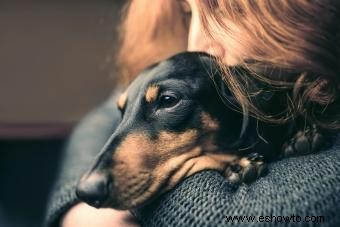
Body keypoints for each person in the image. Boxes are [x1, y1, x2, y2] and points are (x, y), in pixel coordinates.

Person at [45, 0, 340, 226]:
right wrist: (79, 207)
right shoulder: (213, 74)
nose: (195, 43)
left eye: (229, 9)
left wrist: (132, 204)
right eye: (188, 12)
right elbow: (104, 116)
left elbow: (241, 216)